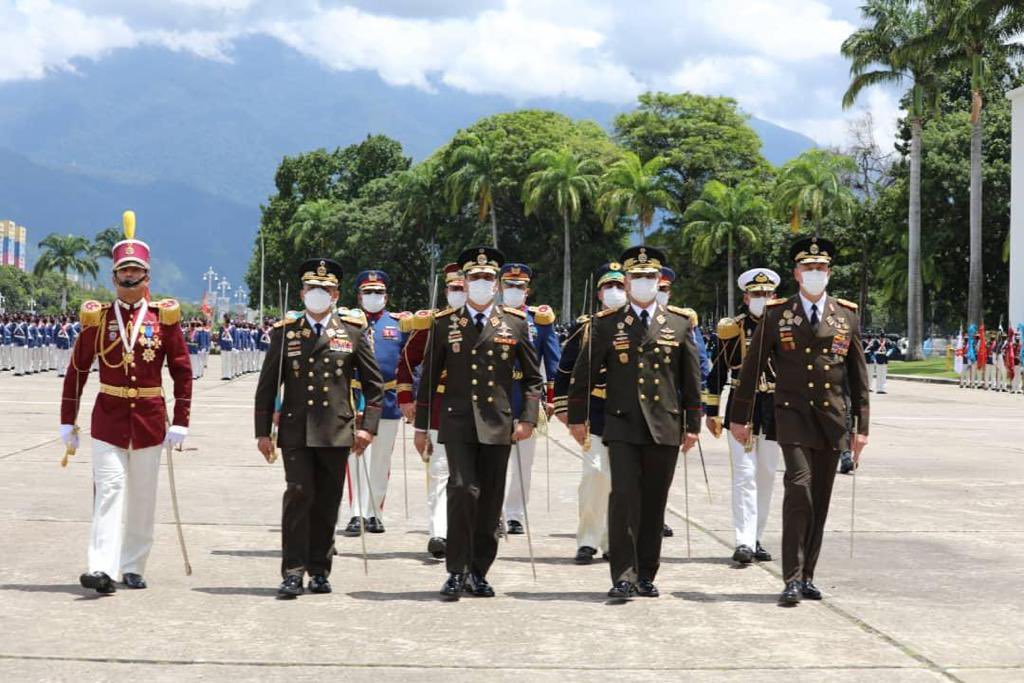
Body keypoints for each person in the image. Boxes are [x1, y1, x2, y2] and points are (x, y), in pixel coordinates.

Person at [729, 236, 870, 605]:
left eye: (820, 268)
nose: (814, 273)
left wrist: (862, 428)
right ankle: (790, 578)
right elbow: (751, 369)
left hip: (832, 420)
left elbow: (858, 377)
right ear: (796, 273)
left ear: (829, 273)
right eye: (808, 268)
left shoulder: (846, 315)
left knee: (819, 499)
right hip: (791, 417)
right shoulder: (778, 314)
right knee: (799, 489)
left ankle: (808, 576)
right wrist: (739, 417)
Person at [58, 210, 193, 594]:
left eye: (136, 271)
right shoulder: (97, 319)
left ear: (147, 276)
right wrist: (67, 421)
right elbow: (77, 371)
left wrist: (181, 420)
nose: (129, 277)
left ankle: (133, 565)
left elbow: (182, 371)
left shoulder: (163, 319)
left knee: (143, 496)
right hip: (109, 419)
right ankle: (100, 567)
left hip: (150, 419)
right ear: (113, 277)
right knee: (109, 490)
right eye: (123, 272)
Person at [568, 245, 702, 599]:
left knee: (655, 501)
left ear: (659, 281)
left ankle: (646, 572)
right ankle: (623, 576)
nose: (643, 282)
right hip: (622, 424)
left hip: (665, 425)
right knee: (624, 498)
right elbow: (583, 374)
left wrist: (694, 425)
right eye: (637, 277)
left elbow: (690, 379)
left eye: (649, 277)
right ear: (625, 282)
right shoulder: (607, 323)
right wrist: (577, 417)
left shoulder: (678, 322)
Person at [413, 246, 544, 600]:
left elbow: (533, 378)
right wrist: (422, 426)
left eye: (488, 278)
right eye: (475, 278)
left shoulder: (515, 323)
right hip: (456, 422)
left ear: (497, 284)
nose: (482, 283)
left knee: (489, 500)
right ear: (465, 283)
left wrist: (528, 417)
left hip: (498, 423)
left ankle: (479, 571)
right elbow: (427, 379)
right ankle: (455, 570)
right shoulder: (444, 324)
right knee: (461, 490)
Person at [254, 257, 384, 599]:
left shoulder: (352, 332)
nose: (319, 293)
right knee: (298, 495)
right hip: (296, 431)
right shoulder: (285, 333)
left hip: (336, 431)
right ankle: (293, 572)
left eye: (325, 289)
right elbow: (268, 387)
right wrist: (262, 431)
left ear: (336, 294)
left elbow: (374, 387)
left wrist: (368, 428)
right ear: (302, 292)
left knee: (328, 501)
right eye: (313, 288)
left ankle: (320, 569)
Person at [704, 267, 782, 565]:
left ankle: (757, 536)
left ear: (773, 296)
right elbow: (718, 373)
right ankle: (744, 540)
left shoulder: (784, 327)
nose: (761, 299)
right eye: (756, 294)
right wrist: (712, 411)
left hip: (774, 409)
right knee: (744, 476)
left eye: (766, 294)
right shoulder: (732, 329)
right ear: (746, 297)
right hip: (742, 408)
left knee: (766, 475)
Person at [553, 262, 626, 564]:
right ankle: (588, 540)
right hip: (594, 410)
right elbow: (566, 368)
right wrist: (564, 408)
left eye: (620, 286)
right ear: (599, 293)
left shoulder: (639, 323)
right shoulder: (586, 326)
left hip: (628, 412)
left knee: (620, 480)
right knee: (595, 474)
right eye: (609, 286)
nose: (615, 292)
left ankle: (613, 541)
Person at [397, 263, 465, 559]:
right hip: (439, 406)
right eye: (455, 288)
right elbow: (409, 363)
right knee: (439, 472)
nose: (460, 293)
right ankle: (439, 533)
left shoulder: (496, 323)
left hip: (479, 412)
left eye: (464, 287)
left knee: (470, 478)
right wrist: (408, 402)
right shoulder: (433, 324)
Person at [342, 270, 410, 536]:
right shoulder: (348, 324)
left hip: (388, 399)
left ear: (386, 296)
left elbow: (408, 364)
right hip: (356, 396)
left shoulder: (398, 324)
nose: (373, 297)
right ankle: (356, 513)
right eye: (368, 292)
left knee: (381, 459)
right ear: (359, 296)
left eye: (378, 292)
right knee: (356, 457)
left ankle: (374, 512)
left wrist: (409, 397)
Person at [498, 262, 560, 535]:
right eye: (509, 285)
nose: (513, 290)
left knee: (523, 462)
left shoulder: (540, 321)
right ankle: (494, 513)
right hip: (496, 396)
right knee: (493, 460)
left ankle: (515, 514)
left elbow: (553, 361)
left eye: (519, 286)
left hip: (526, 396)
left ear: (527, 290)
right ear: (500, 287)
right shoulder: (490, 316)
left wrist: (552, 397)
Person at [655, 264, 709, 538]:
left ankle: (657, 514)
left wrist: (694, 408)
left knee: (662, 470)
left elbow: (700, 363)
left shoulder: (682, 321)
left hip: (670, 406)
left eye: (664, 289)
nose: (660, 293)